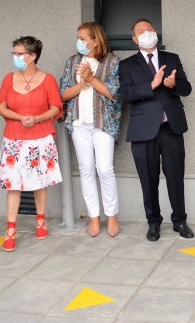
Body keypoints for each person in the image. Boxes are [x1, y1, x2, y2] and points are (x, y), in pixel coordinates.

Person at [120, 19, 194, 241]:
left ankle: (180, 221)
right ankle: (153, 223)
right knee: (148, 179)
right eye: (141, 31)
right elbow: (125, 95)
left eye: (150, 29)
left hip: (171, 127)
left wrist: (173, 85)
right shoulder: (127, 65)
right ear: (135, 39)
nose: (147, 33)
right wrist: (151, 86)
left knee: (175, 177)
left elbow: (187, 88)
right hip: (143, 131)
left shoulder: (172, 58)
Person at [0, 36, 63, 251]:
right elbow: (1, 106)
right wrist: (18, 117)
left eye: (20, 53)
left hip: (40, 136)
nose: (16, 57)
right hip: (14, 136)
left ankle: (40, 220)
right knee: (13, 184)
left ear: (33, 56)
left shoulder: (48, 79)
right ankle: (10, 229)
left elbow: (55, 107)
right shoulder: (8, 78)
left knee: (39, 180)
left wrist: (37, 118)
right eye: (14, 53)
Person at [60, 22, 122, 237]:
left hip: (103, 123)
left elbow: (113, 94)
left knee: (104, 169)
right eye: (78, 37)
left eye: (83, 38)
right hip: (79, 123)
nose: (79, 41)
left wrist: (91, 78)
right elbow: (63, 94)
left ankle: (112, 215)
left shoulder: (111, 62)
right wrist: (80, 85)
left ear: (95, 41)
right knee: (86, 170)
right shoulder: (72, 62)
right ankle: (93, 217)